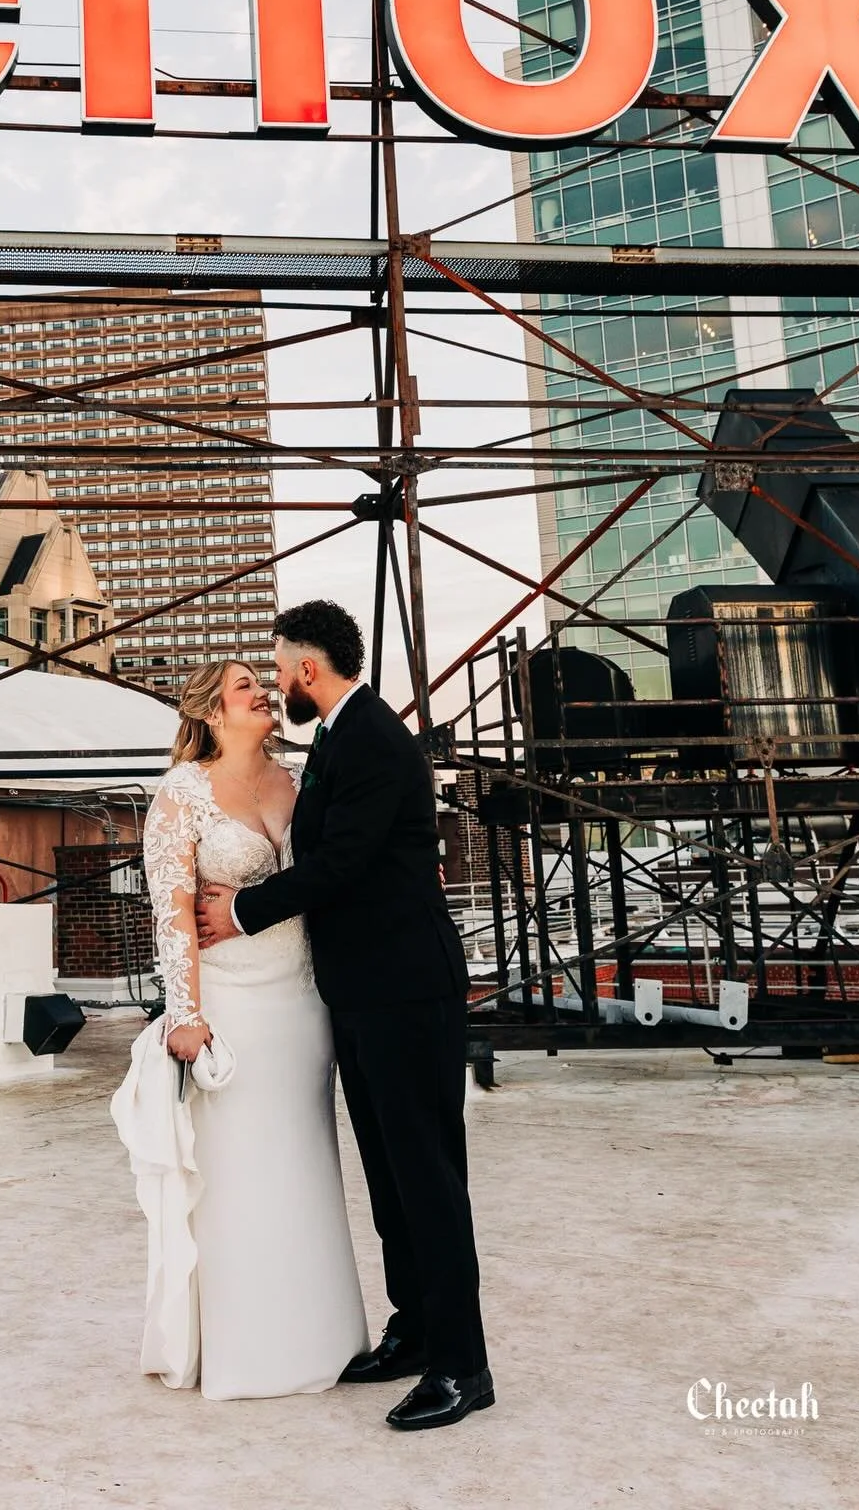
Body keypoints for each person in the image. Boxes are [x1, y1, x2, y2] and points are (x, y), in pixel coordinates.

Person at [197, 600, 494, 1433]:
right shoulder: (335, 736)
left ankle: (462, 1367)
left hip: (406, 991)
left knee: (427, 1177)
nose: (276, 678)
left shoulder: (370, 740)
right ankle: (415, 1327)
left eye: (280, 664)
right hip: (363, 993)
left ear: (308, 668)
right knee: (392, 1175)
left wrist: (245, 911)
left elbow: (339, 866)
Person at [112, 657, 369, 1400]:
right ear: (212, 714)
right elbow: (172, 915)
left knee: (303, 1165)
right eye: (244, 687)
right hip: (229, 1007)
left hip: (302, 1003)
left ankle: (323, 1336)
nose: (263, 692)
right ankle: (248, 1348)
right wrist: (184, 1016)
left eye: (264, 682)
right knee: (237, 1178)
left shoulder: (298, 782)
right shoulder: (182, 794)